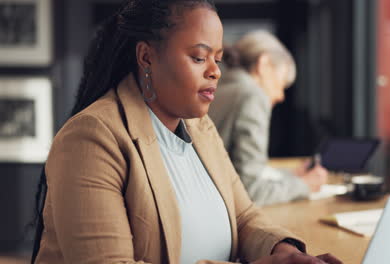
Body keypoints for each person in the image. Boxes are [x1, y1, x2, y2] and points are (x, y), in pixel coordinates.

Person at [30, 1, 342, 263]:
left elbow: (243, 215)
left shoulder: (199, 127)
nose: (215, 71)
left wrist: (285, 252)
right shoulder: (92, 138)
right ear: (146, 57)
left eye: (217, 59)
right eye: (198, 57)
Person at [208, 30, 328, 206]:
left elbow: (238, 170)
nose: (281, 96)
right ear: (263, 65)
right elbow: (252, 191)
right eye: (282, 83)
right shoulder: (252, 95)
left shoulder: (221, 86)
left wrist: (291, 175)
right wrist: (305, 185)